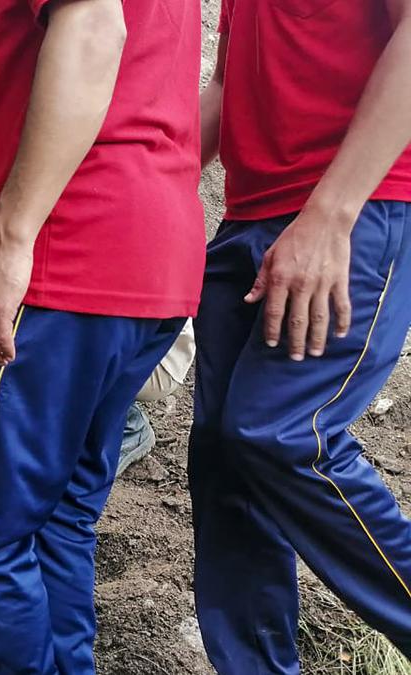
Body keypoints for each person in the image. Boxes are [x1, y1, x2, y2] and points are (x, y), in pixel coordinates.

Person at [0, 0, 205, 668]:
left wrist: (12, 240)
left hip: (71, 253)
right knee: (58, 519)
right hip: (156, 263)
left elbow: (97, 27)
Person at [192, 0, 411, 669]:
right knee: (226, 467)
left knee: (283, 430)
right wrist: (150, 180)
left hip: (350, 210)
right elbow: (226, 90)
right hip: (250, 217)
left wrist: (330, 213)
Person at [0, 122, 198, 474]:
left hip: (154, 351)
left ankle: (121, 424)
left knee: (26, 345)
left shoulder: (70, 205)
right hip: (132, 329)